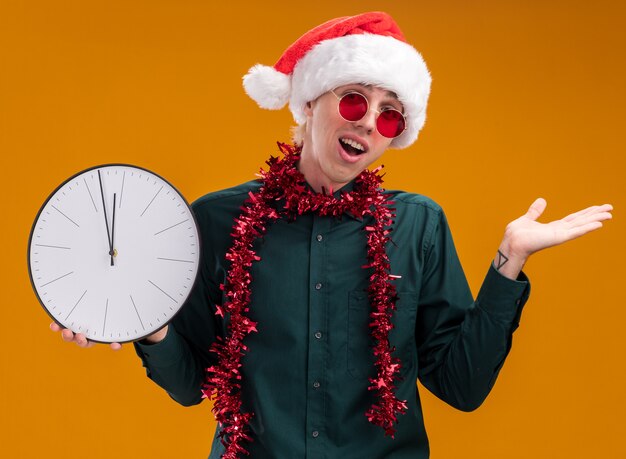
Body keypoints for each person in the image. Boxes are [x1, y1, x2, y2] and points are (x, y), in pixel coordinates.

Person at [51, 11, 613, 459]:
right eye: (354, 100)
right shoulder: (218, 220)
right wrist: (146, 328)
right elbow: (190, 383)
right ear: (310, 102)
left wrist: (508, 262)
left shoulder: (416, 224)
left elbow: (462, 388)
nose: (370, 122)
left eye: (391, 115)